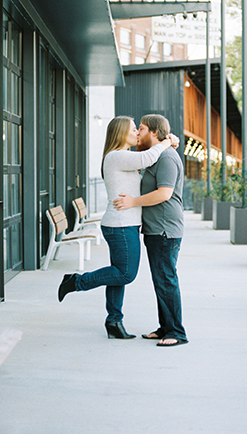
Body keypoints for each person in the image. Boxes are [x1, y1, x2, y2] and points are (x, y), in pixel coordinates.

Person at [57, 116, 179, 340]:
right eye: (134, 129)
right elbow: (149, 156)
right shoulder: (116, 156)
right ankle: (76, 281)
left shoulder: (125, 157)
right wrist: (167, 141)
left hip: (124, 224)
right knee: (125, 274)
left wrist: (167, 143)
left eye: (139, 129)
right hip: (121, 225)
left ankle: (114, 320)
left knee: (117, 275)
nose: (137, 133)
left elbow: (149, 158)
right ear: (121, 132)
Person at [114, 114, 187, 347]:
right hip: (157, 230)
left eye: (142, 129)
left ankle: (176, 332)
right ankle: (165, 327)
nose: (138, 133)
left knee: (166, 280)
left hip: (165, 230)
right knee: (161, 280)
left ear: (154, 132)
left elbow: (164, 193)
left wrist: (132, 202)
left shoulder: (166, 157)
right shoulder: (157, 155)